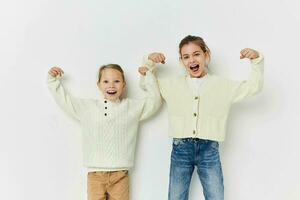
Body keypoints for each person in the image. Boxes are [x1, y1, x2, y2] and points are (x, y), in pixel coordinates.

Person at [139, 35, 264, 200]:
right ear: (182, 61)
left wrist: (256, 60)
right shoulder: (172, 85)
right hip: (181, 149)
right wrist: (149, 62)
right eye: (186, 57)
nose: (192, 60)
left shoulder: (222, 85)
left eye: (196, 54)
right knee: (176, 196)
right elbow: (147, 83)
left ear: (206, 55)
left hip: (209, 149)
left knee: (216, 196)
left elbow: (253, 87)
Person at [47, 63, 161, 200]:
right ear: (99, 85)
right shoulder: (88, 108)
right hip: (95, 174)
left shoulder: (131, 107)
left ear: (124, 85)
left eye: (117, 81)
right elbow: (66, 102)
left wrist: (148, 77)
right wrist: (53, 81)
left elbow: (155, 102)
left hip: (120, 174)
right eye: (106, 81)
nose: (111, 85)